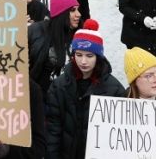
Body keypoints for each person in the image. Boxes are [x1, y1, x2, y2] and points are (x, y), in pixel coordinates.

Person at [46, 20, 124, 159]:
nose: (83, 61)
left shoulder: (115, 90)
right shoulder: (59, 86)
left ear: (98, 57)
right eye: (79, 55)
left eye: (89, 56)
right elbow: (53, 128)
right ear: (73, 55)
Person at [28, 0, 82, 92]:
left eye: (78, 9)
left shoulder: (79, 33)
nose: (78, 14)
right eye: (72, 10)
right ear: (61, 14)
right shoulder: (36, 32)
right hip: (42, 96)